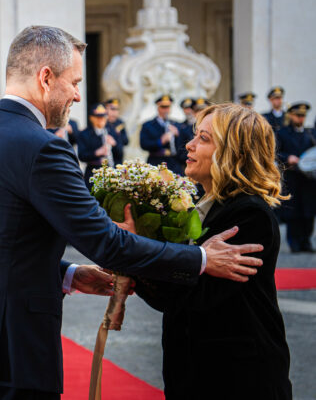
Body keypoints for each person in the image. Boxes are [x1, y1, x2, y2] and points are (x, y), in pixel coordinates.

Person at [0, 25, 263, 399]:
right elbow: (106, 242)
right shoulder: (43, 148)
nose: (76, 94)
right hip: (9, 349)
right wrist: (199, 258)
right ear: (45, 78)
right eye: (74, 81)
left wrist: (68, 275)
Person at [135, 103, 292, 399]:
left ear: (233, 152)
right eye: (195, 135)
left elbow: (187, 295)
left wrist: (134, 250)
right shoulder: (203, 204)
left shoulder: (249, 214)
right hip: (200, 373)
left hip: (239, 378)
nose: (189, 144)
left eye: (204, 139)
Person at [276, 102, 316, 253]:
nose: (301, 118)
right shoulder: (282, 133)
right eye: (298, 115)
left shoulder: (310, 133)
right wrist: (288, 157)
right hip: (292, 178)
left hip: (308, 181)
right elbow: (276, 153)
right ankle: (294, 243)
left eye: (303, 116)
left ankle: (306, 242)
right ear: (291, 116)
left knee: (308, 213)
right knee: (293, 213)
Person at [77, 103, 118, 191]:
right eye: (98, 117)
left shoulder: (112, 131)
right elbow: (82, 156)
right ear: (91, 118)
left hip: (110, 171)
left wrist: (114, 144)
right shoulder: (84, 134)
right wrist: (97, 152)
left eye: (103, 117)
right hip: (92, 172)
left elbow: (121, 153)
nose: (101, 120)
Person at [140, 94, 185, 174]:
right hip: (155, 162)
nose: (166, 110)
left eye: (168, 107)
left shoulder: (177, 125)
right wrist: (160, 141)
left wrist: (178, 135)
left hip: (173, 163)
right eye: (163, 107)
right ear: (158, 108)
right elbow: (143, 144)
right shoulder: (148, 125)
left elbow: (183, 146)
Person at [105, 98, 128, 164]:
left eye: (117, 109)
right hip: (105, 159)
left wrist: (117, 137)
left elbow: (126, 141)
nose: (115, 112)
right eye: (112, 109)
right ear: (106, 109)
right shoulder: (103, 123)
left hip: (118, 158)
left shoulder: (120, 123)